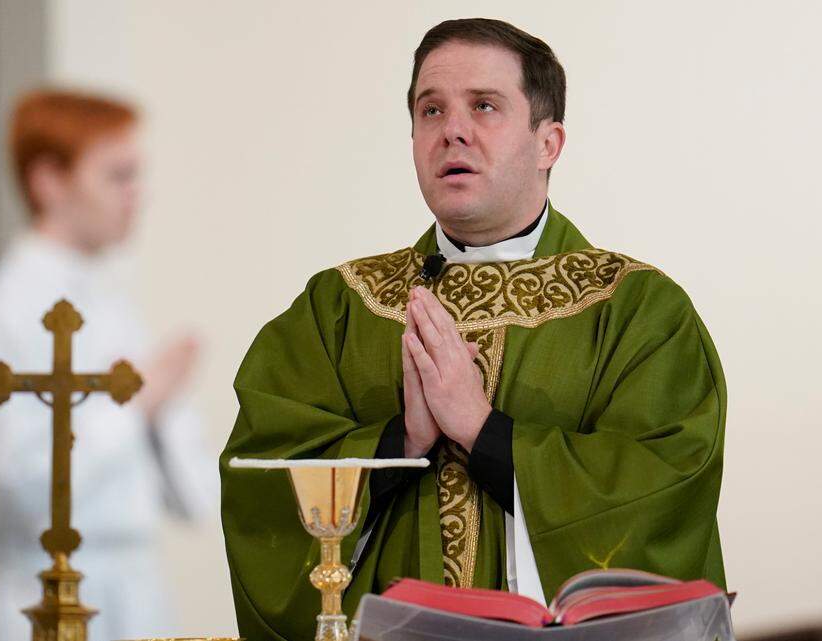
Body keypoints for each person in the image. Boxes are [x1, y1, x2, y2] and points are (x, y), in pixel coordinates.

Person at [221, 18, 726, 641]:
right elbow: (259, 480)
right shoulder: (340, 307)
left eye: (484, 106)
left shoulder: (636, 310)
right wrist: (399, 443)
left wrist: (485, 433)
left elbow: (669, 486)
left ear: (549, 143)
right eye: (430, 110)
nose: (452, 130)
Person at [0, 89, 217, 641]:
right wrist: (140, 399)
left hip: (133, 591)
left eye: (138, 176)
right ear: (49, 181)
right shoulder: (1, 313)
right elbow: (12, 489)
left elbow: (188, 492)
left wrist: (157, 405)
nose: (137, 195)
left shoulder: (111, 304)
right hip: (37, 595)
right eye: (117, 176)